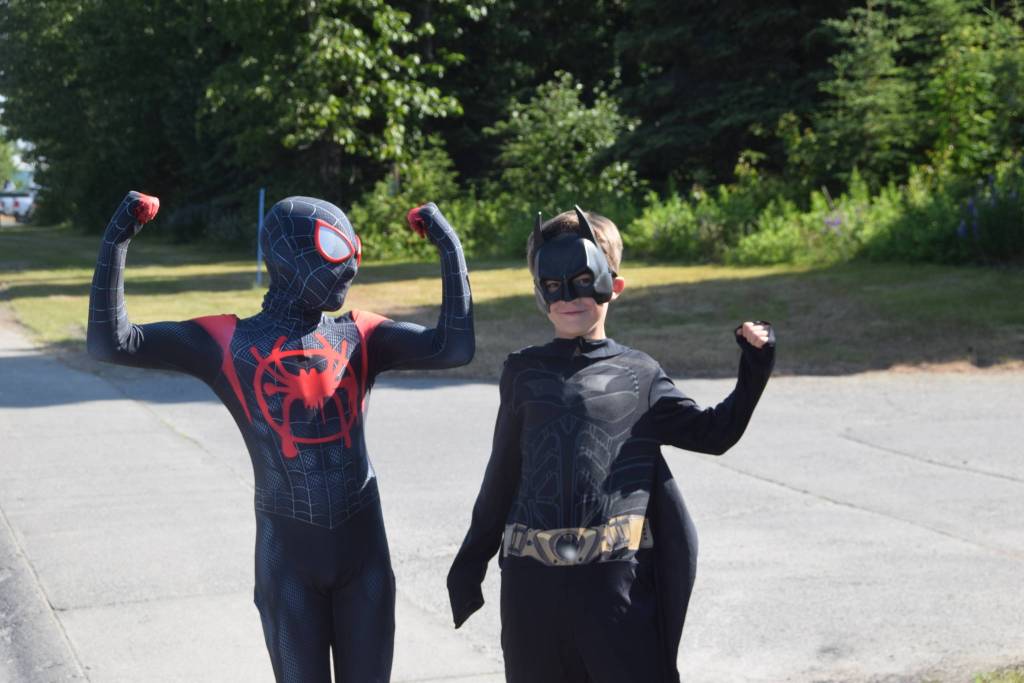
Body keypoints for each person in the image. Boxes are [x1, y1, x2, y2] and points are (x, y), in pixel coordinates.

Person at [87, 192, 473, 683]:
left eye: (353, 247)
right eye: (336, 248)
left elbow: (454, 347)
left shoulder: (361, 335)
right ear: (288, 257)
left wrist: (448, 243)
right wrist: (117, 237)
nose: (351, 265)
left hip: (364, 560)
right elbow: (112, 342)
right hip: (288, 564)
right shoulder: (228, 343)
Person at [446, 206, 774, 683]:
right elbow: (502, 473)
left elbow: (713, 434)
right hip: (531, 593)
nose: (568, 298)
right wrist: (472, 559)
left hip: (614, 590)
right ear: (540, 291)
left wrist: (755, 368)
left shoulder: (638, 374)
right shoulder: (523, 371)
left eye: (583, 280)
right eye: (553, 286)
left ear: (612, 285)